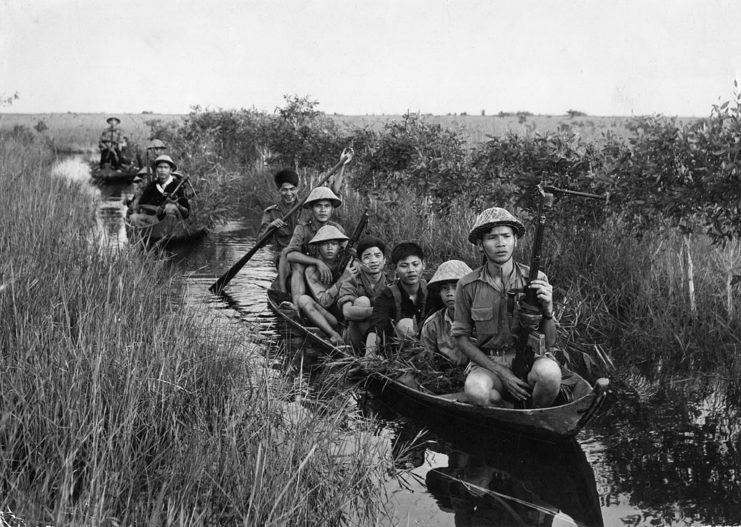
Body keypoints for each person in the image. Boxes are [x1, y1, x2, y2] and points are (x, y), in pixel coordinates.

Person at [451, 207, 562, 408]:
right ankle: (502, 409)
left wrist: (548, 312)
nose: (501, 243)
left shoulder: (536, 280)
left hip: (529, 360)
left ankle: (536, 415)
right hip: (489, 363)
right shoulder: (467, 285)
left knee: (551, 375)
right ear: (480, 244)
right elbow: (461, 337)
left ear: (515, 240)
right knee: (476, 390)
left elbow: (550, 342)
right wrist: (502, 373)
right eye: (492, 237)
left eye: (506, 236)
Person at [260, 149, 352, 293]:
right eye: (284, 190)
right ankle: (283, 292)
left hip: (310, 252)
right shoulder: (270, 212)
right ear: (279, 190)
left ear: (297, 189)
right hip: (286, 258)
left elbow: (333, 192)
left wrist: (341, 165)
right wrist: (271, 227)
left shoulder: (307, 205)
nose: (289, 193)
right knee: (287, 253)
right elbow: (260, 242)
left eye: (292, 189)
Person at [364, 242, 432, 357]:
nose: (411, 270)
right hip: (398, 350)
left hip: (431, 345)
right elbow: (377, 327)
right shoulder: (387, 295)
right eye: (404, 266)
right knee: (406, 325)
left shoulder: (433, 290)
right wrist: (369, 355)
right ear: (395, 269)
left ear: (423, 264)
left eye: (415, 264)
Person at [296, 225, 358, 346]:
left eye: (334, 243)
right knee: (303, 300)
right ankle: (333, 335)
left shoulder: (349, 263)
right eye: (325, 244)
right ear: (319, 247)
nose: (330, 248)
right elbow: (324, 303)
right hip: (330, 318)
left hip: (350, 312)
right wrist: (342, 279)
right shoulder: (312, 270)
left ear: (340, 246)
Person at [285, 186, 345, 308]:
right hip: (305, 276)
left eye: (327, 206)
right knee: (298, 265)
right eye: (318, 206)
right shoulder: (302, 229)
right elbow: (290, 254)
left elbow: (345, 250)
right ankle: (297, 307)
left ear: (332, 209)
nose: (323, 210)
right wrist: (317, 262)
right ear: (312, 209)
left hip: (330, 275)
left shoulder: (337, 229)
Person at [337, 236, 390, 351]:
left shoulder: (391, 282)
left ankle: (379, 350)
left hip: (382, 335)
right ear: (360, 263)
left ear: (384, 260)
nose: (373, 261)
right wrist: (379, 311)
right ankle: (369, 352)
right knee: (362, 301)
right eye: (367, 257)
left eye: (378, 256)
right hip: (355, 338)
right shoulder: (351, 282)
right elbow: (347, 312)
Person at [420, 260, 473, 369]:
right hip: (445, 375)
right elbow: (425, 360)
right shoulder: (433, 324)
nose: (450, 293)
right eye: (445, 288)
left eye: (456, 287)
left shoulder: (481, 319)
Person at [127, 155, 190, 226]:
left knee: (169, 207)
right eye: (160, 167)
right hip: (157, 220)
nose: (163, 170)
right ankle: (150, 232)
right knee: (133, 217)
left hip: (175, 222)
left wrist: (177, 205)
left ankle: (169, 232)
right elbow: (141, 204)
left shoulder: (178, 185)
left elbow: (186, 212)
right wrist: (156, 208)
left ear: (170, 170)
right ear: (156, 169)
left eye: (166, 167)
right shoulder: (152, 186)